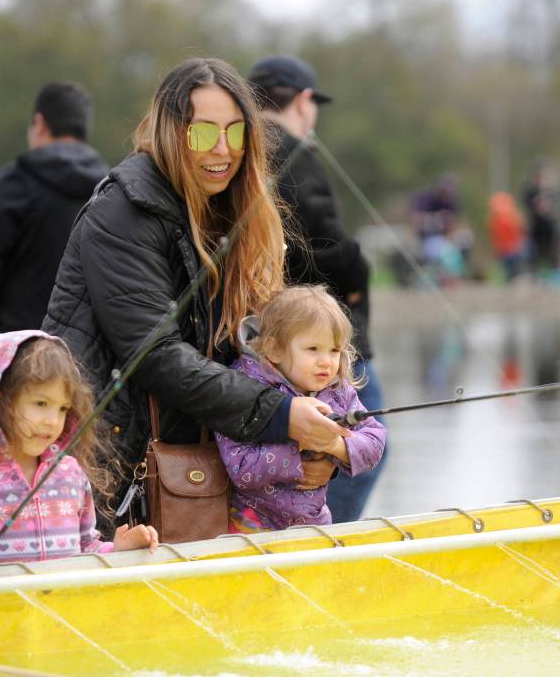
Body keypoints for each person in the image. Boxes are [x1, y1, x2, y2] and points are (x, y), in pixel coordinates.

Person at [43, 58, 349, 534]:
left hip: (195, 464)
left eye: (236, 133)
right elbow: (156, 356)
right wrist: (282, 415)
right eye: (204, 134)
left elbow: (256, 352)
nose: (223, 150)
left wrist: (317, 438)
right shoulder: (122, 212)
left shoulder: (227, 207)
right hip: (108, 467)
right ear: (171, 132)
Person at [248, 53, 389, 522]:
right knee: (368, 443)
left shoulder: (240, 153)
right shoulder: (296, 155)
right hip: (316, 330)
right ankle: (328, 536)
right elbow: (324, 245)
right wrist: (356, 269)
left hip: (268, 338)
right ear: (304, 101)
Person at [0, 331, 157, 577]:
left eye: (62, 408)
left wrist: (118, 551)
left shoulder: (70, 473)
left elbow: (86, 550)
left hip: (58, 616)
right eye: (41, 404)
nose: (52, 421)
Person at [216, 286, 385, 532]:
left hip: (313, 525)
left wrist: (333, 445)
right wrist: (300, 444)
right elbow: (241, 467)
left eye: (334, 350)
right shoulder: (245, 390)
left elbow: (375, 442)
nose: (326, 361)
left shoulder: (338, 390)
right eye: (312, 349)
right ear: (274, 349)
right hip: (248, 525)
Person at [0, 82, 108, 348]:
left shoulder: (17, 181)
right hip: (89, 354)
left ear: (40, 123)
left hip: (21, 349)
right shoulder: (109, 187)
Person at [486, 191, 526, 283]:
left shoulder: (506, 217)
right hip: (506, 247)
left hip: (509, 247)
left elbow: (517, 231)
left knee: (510, 266)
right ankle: (510, 277)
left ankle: (511, 277)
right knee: (508, 266)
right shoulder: (510, 216)